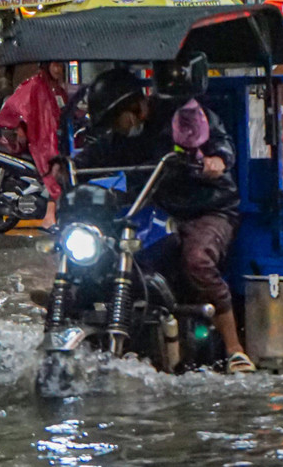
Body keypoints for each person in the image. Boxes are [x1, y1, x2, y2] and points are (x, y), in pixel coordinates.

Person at [77, 64, 255, 373]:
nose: (117, 128)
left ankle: (234, 348)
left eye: (118, 119)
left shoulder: (182, 117)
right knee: (109, 250)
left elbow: (220, 142)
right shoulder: (120, 138)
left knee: (197, 260)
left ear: (134, 105)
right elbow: (95, 156)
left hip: (208, 208)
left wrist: (216, 160)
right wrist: (65, 165)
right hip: (158, 212)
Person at [0, 61, 69, 228]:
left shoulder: (58, 89)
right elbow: (15, 107)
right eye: (55, 65)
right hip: (38, 140)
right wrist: (20, 129)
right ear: (47, 66)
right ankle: (49, 215)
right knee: (55, 170)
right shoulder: (34, 84)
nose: (58, 70)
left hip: (55, 139)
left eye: (61, 66)